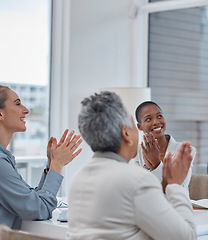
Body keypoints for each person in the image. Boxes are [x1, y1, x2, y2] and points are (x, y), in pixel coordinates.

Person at [67, 91, 196, 240]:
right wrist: (175, 185)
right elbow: (185, 237)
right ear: (126, 133)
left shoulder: (78, 178)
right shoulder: (136, 180)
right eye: (134, 126)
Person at [0, 85, 82, 229]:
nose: (26, 110)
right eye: (18, 104)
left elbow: (31, 201)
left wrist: (51, 166)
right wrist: (57, 165)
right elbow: (39, 209)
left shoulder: (5, 159)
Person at [129, 101, 195, 190]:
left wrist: (156, 163)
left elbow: (179, 188)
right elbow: (138, 189)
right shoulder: (136, 154)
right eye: (148, 119)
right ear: (139, 126)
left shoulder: (185, 150)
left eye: (159, 116)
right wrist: (148, 168)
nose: (156, 122)